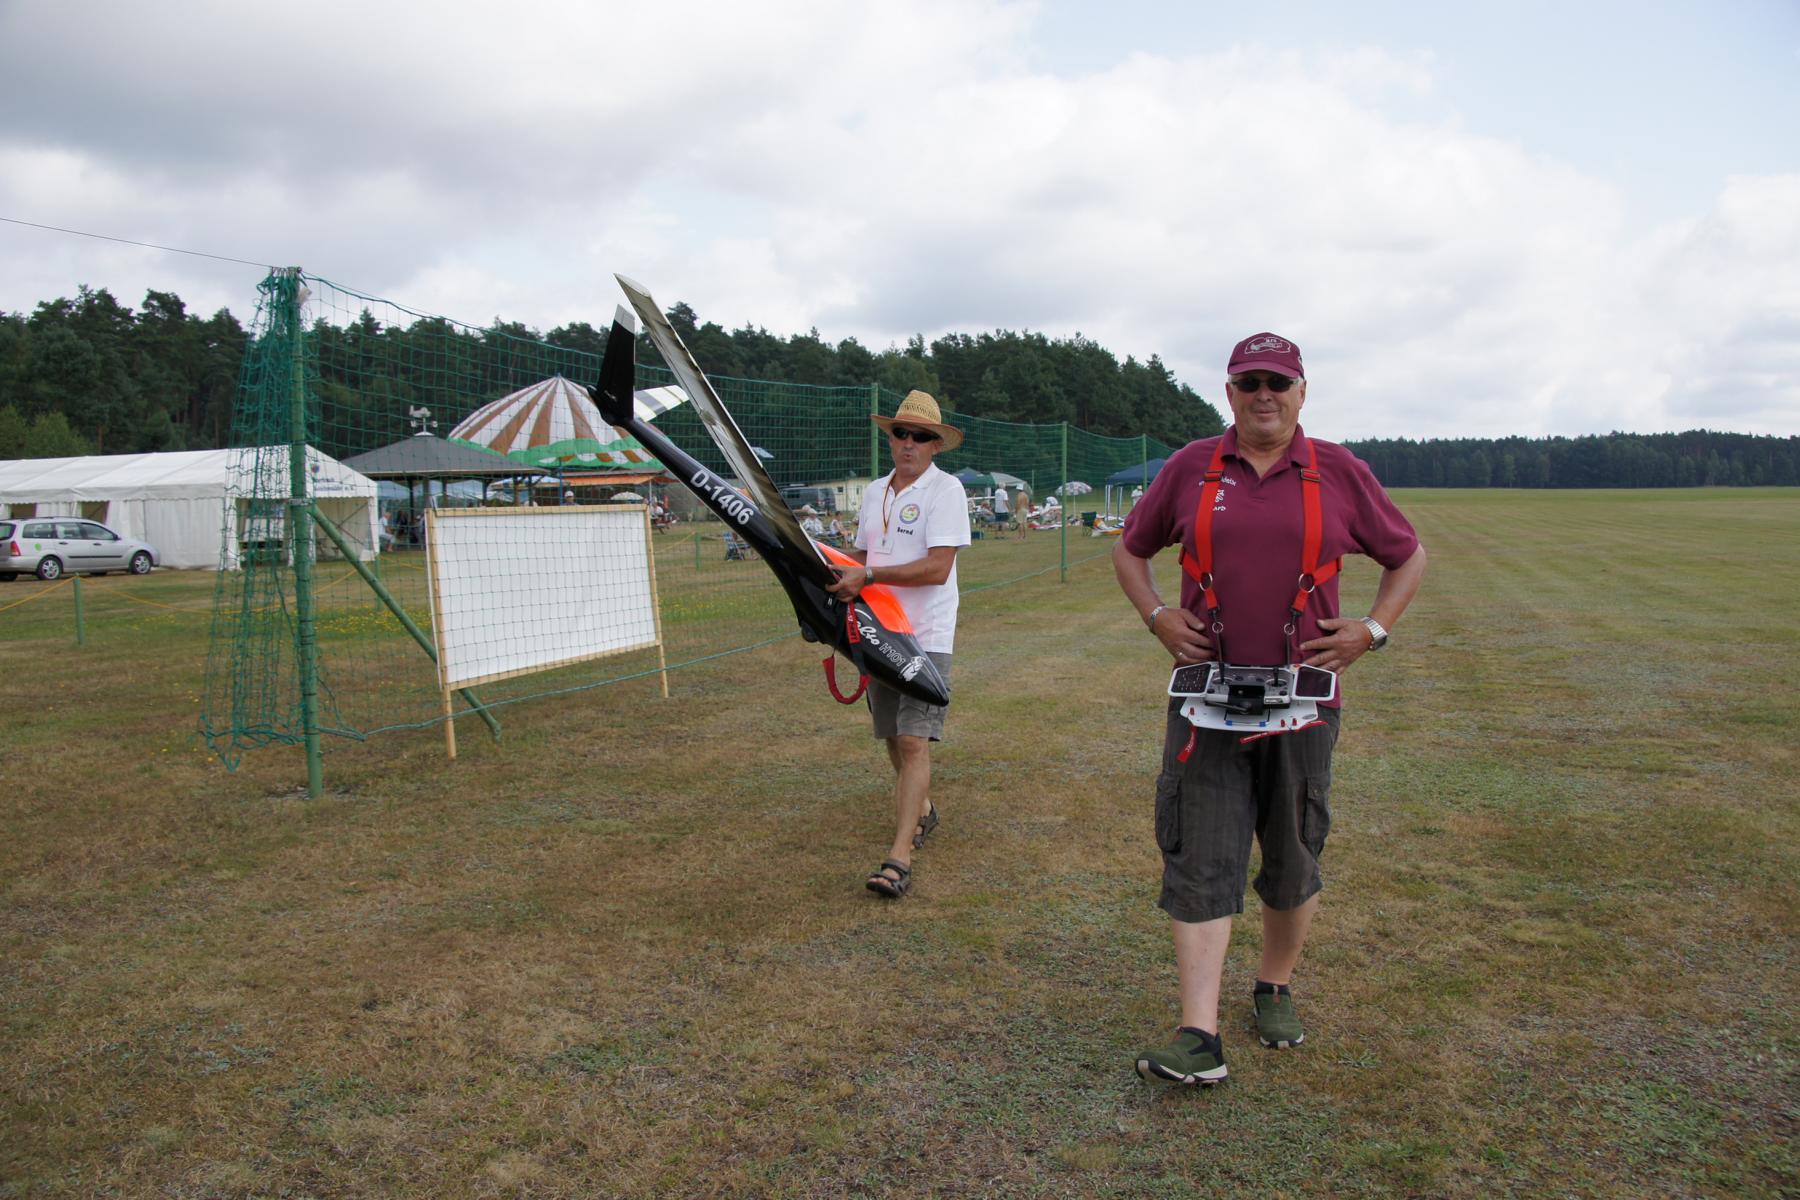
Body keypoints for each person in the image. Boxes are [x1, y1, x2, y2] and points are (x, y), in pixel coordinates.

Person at [1112, 332, 1427, 1086]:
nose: (1264, 395)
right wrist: (1157, 616)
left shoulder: (1339, 471)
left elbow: (1407, 555)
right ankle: (1199, 1034)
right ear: (1229, 392)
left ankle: (1274, 985)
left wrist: (1372, 630)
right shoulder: (1191, 467)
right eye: (1249, 382)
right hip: (1207, 701)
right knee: (1199, 852)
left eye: (1278, 383)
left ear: (1302, 392)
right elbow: (1130, 549)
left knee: (1292, 852)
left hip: (1303, 701)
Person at [827, 390, 972, 899]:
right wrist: (813, 558)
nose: (909, 442)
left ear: (936, 445)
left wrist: (868, 575)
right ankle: (924, 810)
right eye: (901, 433)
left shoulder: (946, 490)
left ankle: (900, 856)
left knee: (913, 740)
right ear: (890, 439)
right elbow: (861, 554)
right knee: (892, 735)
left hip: (926, 634)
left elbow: (938, 568)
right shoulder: (873, 492)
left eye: (921, 436)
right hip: (876, 630)